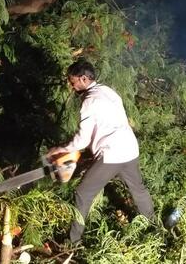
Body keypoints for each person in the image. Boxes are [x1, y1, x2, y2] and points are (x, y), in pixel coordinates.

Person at [46, 60, 155, 243]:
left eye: (73, 83)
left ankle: (72, 242)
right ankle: (154, 226)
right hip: (130, 148)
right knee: (139, 190)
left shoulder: (89, 101)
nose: (72, 87)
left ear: (83, 79)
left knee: (83, 193)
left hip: (112, 154)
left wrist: (60, 149)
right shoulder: (107, 91)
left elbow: (83, 140)